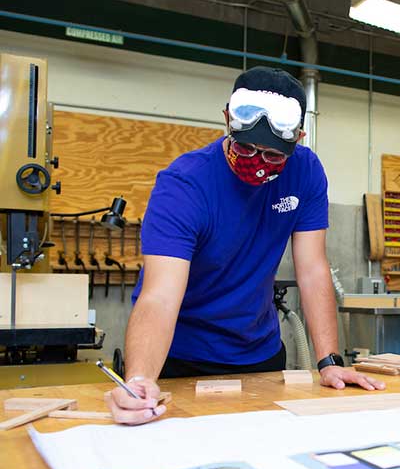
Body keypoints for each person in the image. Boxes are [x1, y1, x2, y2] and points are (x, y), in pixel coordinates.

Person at [108, 67, 384, 425]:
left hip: (259, 356)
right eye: (246, 147)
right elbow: (159, 297)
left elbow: (314, 270)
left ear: (298, 139)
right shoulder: (184, 185)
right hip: (181, 358)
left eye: (272, 156)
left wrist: (329, 361)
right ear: (227, 119)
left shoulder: (306, 172)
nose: (257, 163)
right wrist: (140, 380)